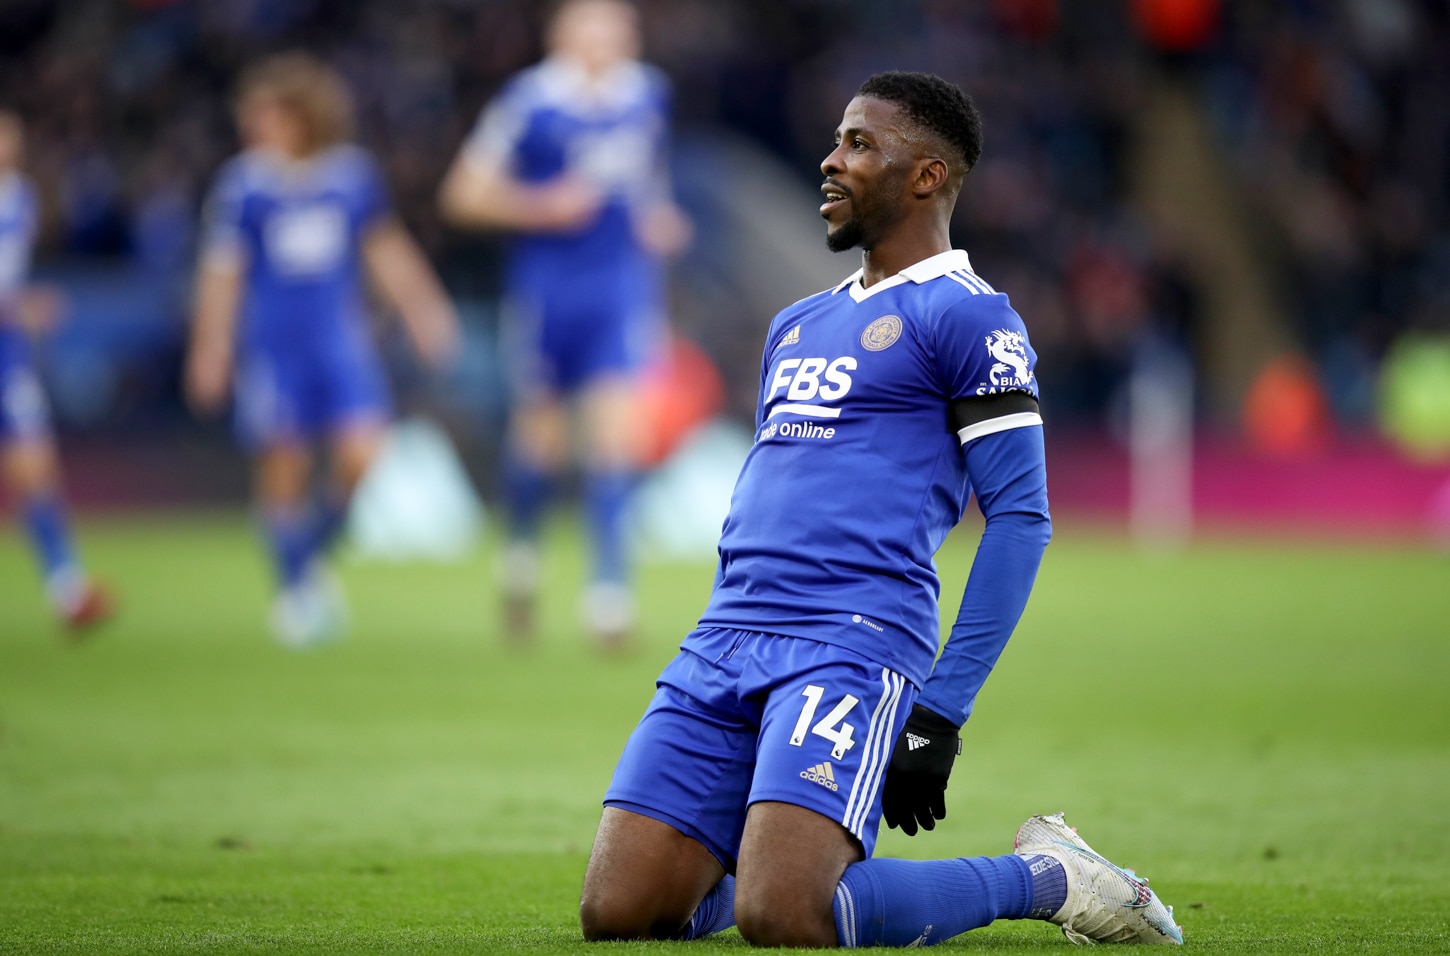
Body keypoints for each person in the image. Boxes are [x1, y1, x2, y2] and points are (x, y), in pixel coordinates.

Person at [578, 72, 1184, 948]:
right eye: (837, 140)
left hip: (850, 642)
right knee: (619, 914)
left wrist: (940, 713)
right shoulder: (794, 325)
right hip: (725, 639)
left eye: (859, 144)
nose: (831, 160)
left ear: (928, 175)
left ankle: (1051, 877)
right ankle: (768, 855)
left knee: (784, 916)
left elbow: (1021, 518)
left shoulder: (972, 318)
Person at [439, 0, 690, 645]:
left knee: (616, 437)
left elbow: (647, 181)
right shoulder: (530, 102)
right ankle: (521, 558)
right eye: (591, 26)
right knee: (540, 443)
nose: (606, 39)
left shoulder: (646, 95)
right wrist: (539, 206)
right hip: (547, 292)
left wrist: (655, 220)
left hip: (619, 289)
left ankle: (609, 595)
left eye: (617, 27)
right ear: (562, 36)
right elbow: (463, 194)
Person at [187, 54, 459, 648]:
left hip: (338, 342)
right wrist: (211, 346)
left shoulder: (349, 177)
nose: (255, 124)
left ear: (303, 115)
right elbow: (222, 273)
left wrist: (424, 309)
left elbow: (384, 248)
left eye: (268, 113)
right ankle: (294, 590)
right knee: (285, 465)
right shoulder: (243, 186)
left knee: (363, 453)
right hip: (273, 348)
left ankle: (309, 559)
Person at [0, 109, 113, 632]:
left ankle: (67, 588)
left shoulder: (19, 197)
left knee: (35, 468)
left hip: (8, 356)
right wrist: (20, 307)